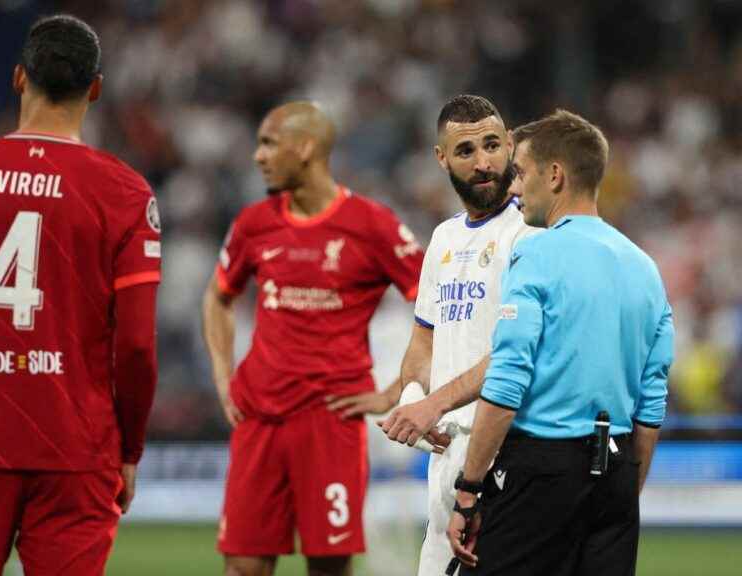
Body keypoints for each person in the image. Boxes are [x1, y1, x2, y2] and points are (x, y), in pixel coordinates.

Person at [447, 110, 674, 576]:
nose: (513, 188)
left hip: (542, 469)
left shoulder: (537, 251)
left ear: (555, 175)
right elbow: (650, 406)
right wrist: (622, 496)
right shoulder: (645, 269)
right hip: (616, 471)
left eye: (522, 173)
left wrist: (468, 490)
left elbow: (507, 384)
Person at [202, 101, 424, 576]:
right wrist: (223, 376)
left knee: (327, 567)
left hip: (330, 421)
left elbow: (435, 305)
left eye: (268, 143)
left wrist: (395, 389)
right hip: (258, 417)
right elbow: (217, 297)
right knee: (242, 567)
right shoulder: (254, 223)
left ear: (304, 148)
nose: (258, 156)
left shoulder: (371, 225)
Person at [0, 15, 160, 575]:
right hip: (76, 444)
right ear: (96, 88)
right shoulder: (125, 193)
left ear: (17, 78)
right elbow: (134, 346)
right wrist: (128, 450)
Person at [374, 94, 538, 576]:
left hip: (507, 443)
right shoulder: (444, 238)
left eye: (492, 145)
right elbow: (424, 340)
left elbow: (516, 353)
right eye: (466, 151)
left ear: (510, 145)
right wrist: (413, 398)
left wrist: (435, 403)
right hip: (446, 453)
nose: (483, 161)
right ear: (441, 158)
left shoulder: (530, 232)